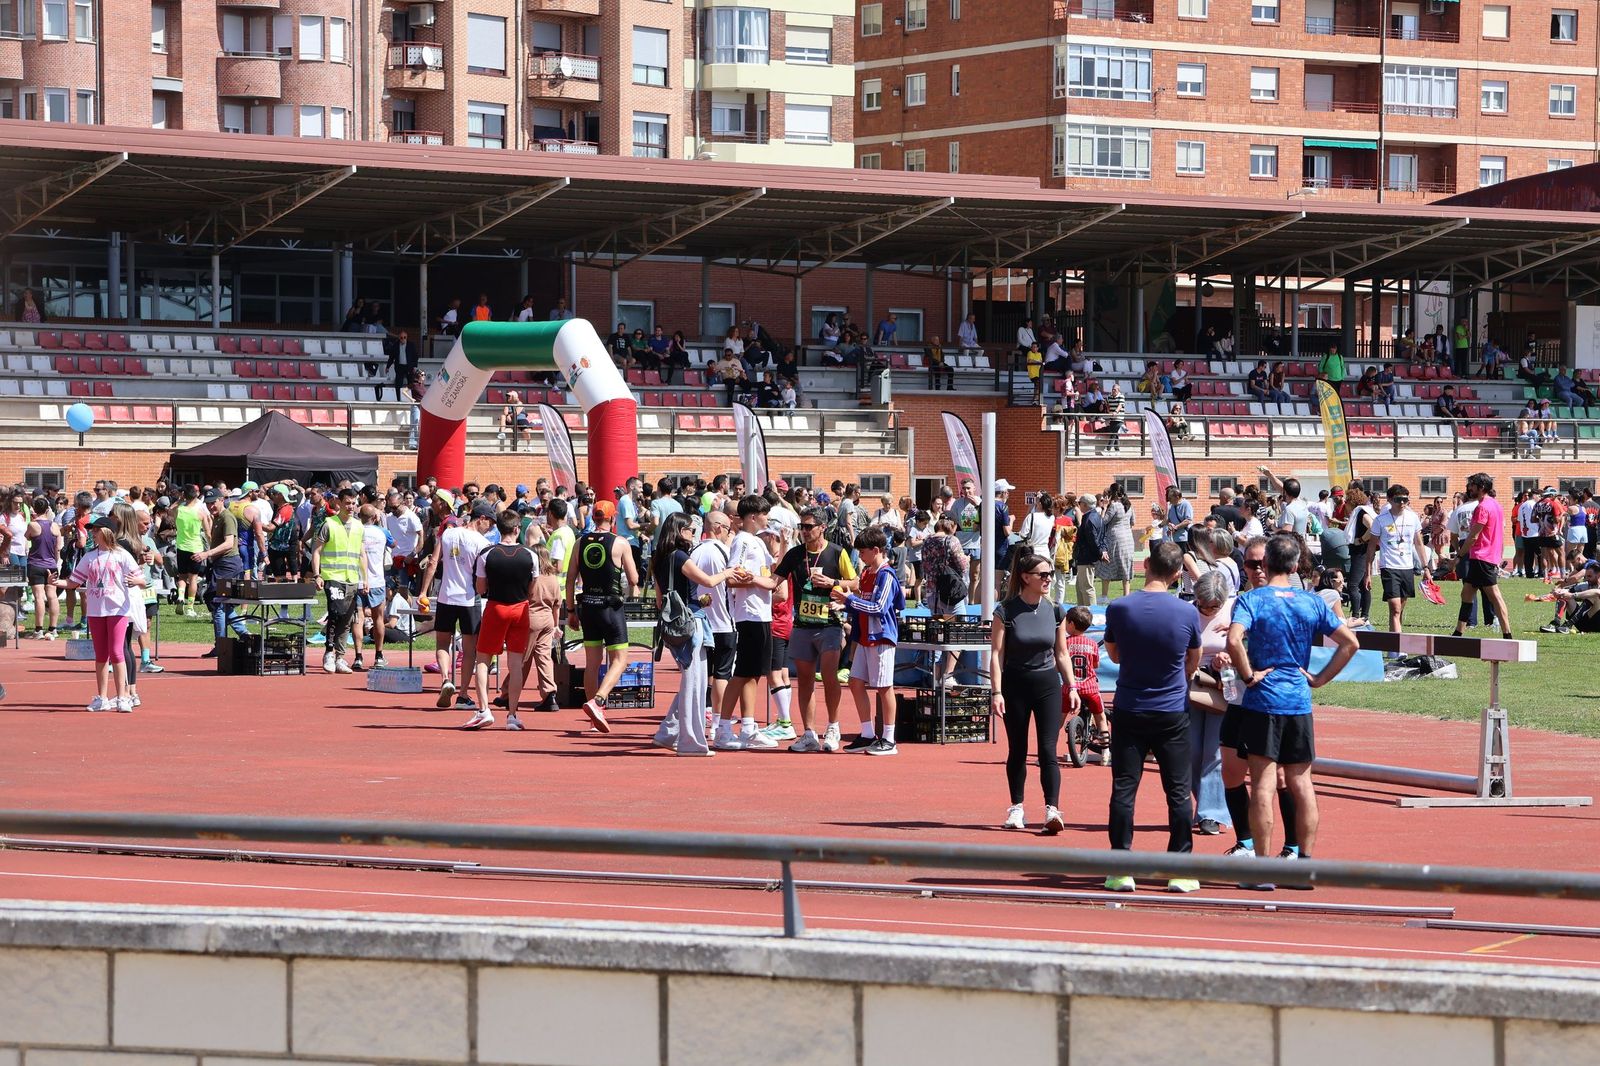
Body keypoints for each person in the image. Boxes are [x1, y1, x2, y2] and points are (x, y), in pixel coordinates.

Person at [1226, 534, 1360, 885]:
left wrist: (1248, 675)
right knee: (1302, 783)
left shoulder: (1251, 599)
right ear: (1297, 564)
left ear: (1266, 563)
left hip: (1263, 702)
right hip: (1297, 701)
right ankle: (1305, 866)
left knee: (1262, 785)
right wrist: (1318, 679)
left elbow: (1233, 639)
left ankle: (1263, 870)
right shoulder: (1311, 602)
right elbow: (1351, 642)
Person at [1101, 541, 1202, 893]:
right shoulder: (1187, 612)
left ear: (1145, 565)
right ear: (1177, 574)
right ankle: (1180, 869)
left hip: (1129, 707)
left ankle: (1120, 868)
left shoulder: (1119, 607)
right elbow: (1194, 658)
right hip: (1172, 710)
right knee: (1177, 791)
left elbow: (1113, 654)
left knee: (1124, 788)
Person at [991, 548, 1078, 831]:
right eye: (1043, 574)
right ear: (1025, 577)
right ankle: (1016, 809)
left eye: (1050, 574)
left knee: (1047, 750)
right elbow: (996, 654)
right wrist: (996, 692)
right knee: (1017, 749)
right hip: (1014, 685)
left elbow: (1062, 653)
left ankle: (1053, 810)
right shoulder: (1005, 610)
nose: (1048, 579)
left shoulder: (1055, 610)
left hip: (1047, 685)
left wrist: (1072, 686)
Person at [567, 498, 640, 733]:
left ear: (593, 518)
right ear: (613, 519)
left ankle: (592, 720)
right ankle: (598, 701)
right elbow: (634, 579)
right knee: (620, 660)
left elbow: (570, 579)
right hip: (611, 608)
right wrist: (632, 589)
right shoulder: (620, 542)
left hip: (588, 607)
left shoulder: (580, 542)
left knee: (592, 663)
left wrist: (570, 611)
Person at [56, 518, 145, 712]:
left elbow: (142, 580)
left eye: (96, 530)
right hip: (96, 611)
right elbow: (73, 583)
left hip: (118, 609)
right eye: (92, 530)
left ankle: (123, 697)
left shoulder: (122, 555)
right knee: (101, 655)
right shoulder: (89, 557)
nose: (93, 534)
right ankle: (102, 698)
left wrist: (136, 580)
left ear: (107, 532)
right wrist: (56, 582)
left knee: (116, 652)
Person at [832, 526, 905, 755]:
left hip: (881, 637)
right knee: (855, 682)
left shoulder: (886, 575)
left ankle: (889, 738)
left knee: (884, 687)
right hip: (864, 636)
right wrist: (844, 604)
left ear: (876, 550)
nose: (860, 557)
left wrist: (849, 599)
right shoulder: (866, 574)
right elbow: (862, 603)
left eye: (862, 552)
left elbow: (879, 607)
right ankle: (866, 734)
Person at [462, 510, 537, 731]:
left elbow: (480, 587)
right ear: (517, 529)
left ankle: (484, 709)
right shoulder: (530, 554)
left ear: (499, 529)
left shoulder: (487, 553)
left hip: (496, 607)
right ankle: (512, 714)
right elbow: (533, 588)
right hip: (520, 608)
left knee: (483, 659)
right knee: (515, 664)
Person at [417, 500, 494, 709]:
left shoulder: (448, 533)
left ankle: (445, 679)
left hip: (446, 596)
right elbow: (482, 575)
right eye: (491, 524)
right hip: (469, 599)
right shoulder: (482, 543)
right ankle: (462, 694)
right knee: (470, 649)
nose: (491, 528)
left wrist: (423, 592)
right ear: (482, 519)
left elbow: (433, 562)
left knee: (443, 642)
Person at [1189, 571, 1235, 836]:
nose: (1206, 610)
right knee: (1192, 750)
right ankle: (1204, 804)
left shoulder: (1234, 609)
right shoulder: (1186, 611)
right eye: (1202, 605)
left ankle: (1211, 813)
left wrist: (1227, 655)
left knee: (1213, 752)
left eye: (1212, 607)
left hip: (1223, 685)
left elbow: (1246, 644)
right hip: (1191, 686)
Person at [1450, 472, 1513, 640]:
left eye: (1472, 485)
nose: (1469, 488)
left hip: (1481, 557)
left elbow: (1473, 536)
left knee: (1495, 596)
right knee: (1466, 593)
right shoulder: (1496, 505)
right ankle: (1458, 632)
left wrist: (1459, 556)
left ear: (1481, 487)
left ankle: (1507, 634)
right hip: (1485, 557)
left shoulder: (1482, 507)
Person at [309, 488, 364, 675]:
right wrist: (317, 575)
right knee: (336, 611)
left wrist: (364, 579)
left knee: (348, 618)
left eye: (354, 503)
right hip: (332, 576)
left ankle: (340, 656)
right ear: (339, 503)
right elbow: (316, 550)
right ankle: (329, 652)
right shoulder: (329, 524)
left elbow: (361, 554)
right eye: (347, 503)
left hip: (352, 578)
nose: (351, 506)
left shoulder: (359, 526)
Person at [194, 488, 251, 658]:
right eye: (208, 503)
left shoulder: (227, 517)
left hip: (228, 564)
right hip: (221, 564)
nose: (211, 506)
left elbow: (228, 544)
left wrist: (207, 554)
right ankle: (245, 635)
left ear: (221, 500)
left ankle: (221, 645)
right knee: (220, 604)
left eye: (213, 502)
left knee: (218, 603)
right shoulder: (218, 518)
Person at [1366, 484, 1425, 633]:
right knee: (1395, 608)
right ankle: (1396, 649)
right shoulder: (1380, 520)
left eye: (1406, 500)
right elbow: (1372, 547)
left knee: (1400, 609)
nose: (1402, 503)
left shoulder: (1413, 518)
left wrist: (1426, 567)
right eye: (1398, 500)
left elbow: (1418, 543)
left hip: (1407, 567)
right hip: (1389, 567)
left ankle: (1395, 640)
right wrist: (1368, 573)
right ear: (1390, 500)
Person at [1063, 605, 1109, 766]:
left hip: (1070, 688)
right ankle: (1105, 752)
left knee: (1058, 718)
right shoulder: (1092, 644)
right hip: (1089, 687)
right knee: (1101, 717)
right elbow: (1095, 665)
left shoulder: (1065, 644)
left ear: (1072, 624)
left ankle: (1046, 751)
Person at [352, 504, 389, 672]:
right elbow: (393, 544)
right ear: (375, 517)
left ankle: (358, 656)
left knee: (358, 619)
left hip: (357, 580)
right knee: (378, 618)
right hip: (377, 581)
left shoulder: (354, 530)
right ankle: (379, 655)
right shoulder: (382, 532)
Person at [24, 498, 61, 640]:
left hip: (36, 564)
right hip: (51, 565)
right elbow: (57, 547)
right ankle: (53, 629)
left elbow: (26, 537)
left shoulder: (33, 525)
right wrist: (55, 562)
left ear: (34, 509)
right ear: (47, 509)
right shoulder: (55, 526)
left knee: (39, 597)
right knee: (52, 596)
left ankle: (38, 630)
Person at [173, 484, 209, 617]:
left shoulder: (179, 509)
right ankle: (190, 607)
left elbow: (170, 510)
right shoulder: (200, 511)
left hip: (181, 546)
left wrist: (179, 500)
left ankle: (181, 596)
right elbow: (207, 530)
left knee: (182, 576)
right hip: (196, 547)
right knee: (193, 578)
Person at [1097, 482, 1135, 601]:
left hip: (1114, 539)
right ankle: (1126, 595)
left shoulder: (1114, 506)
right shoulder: (1128, 505)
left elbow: (1103, 521)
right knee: (1126, 566)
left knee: (1107, 564)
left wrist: (1104, 508)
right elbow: (1133, 522)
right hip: (1128, 539)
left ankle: (1104, 596)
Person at [1070, 493, 1103, 606]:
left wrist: (1099, 553)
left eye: (1080, 503)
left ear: (1084, 504)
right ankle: (1082, 611)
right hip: (1086, 557)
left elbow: (1093, 539)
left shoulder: (1089, 519)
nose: (1079, 505)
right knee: (1080, 587)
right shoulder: (1095, 516)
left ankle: (1090, 614)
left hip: (1086, 557)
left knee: (1087, 588)